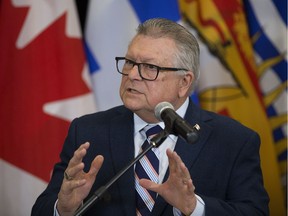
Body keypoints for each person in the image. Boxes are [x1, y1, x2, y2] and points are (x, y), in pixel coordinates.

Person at [31, 18, 269, 216]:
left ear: (184, 83)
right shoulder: (88, 131)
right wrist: (63, 208)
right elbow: (42, 209)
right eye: (129, 62)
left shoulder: (233, 140)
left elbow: (255, 212)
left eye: (149, 68)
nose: (132, 74)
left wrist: (193, 207)